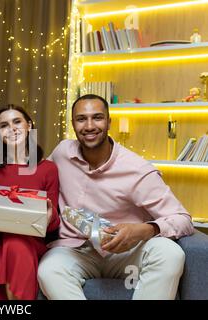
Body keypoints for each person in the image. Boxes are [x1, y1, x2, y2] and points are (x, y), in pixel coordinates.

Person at [38, 94, 194, 300]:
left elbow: (183, 218)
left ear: (109, 122)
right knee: (49, 270)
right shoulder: (62, 152)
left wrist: (144, 229)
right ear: (73, 124)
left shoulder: (137, 170)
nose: (90, 125)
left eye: (97, 117)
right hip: (76, 250)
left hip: (126, 252)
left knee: (170, 254)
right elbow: (39, 181)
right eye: (81, 119)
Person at [0, 104, 60, 300]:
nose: (12, 128)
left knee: (16, 243)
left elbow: (54, 216)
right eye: (4, 125)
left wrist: (50, 216)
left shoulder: (48, 168)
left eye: (17, 122)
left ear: (29, 125)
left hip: (28, 238)